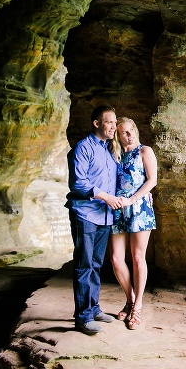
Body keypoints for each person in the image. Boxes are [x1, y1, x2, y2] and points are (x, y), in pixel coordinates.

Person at [65, 105, 126, 335]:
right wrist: (106, 197)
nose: (113, 126)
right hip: (85, 214)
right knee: (84, 265)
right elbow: (78, 184)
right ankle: (82, 318)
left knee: (96, 264)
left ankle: (93, 308)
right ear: (97, 124)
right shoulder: (83, 148)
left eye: (114, 122)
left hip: (104, 216)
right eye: (109, 122)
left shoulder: (109, 149)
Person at [109, 116, 157, 330]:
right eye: (123, 133)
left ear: (136, 130)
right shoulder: (116, 155)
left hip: (139, 208)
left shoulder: (145, 151)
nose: (128, 135)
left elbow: (152, 180)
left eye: (130, 131)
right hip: (118, 208)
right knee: (116, 259)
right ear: (118, 136)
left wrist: (134, 199)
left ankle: (137, 308)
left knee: (138, 257)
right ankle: (130, 298)